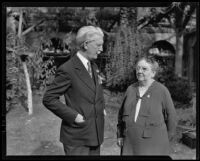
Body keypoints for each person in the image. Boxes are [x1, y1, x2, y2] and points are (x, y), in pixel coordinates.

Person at [43, 25, 106, 155]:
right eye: (98, 45)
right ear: (86, 44)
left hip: (95, 134)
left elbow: (90, 93)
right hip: (77, 138)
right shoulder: (68, 69)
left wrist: (100, 107)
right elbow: (49, 98)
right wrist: (74, 116)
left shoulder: (93, 66)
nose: (101, 49)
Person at [117, 55, 177, 155]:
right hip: (129, 145)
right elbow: (121, 115)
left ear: (153, 73)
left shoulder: (162, 91)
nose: (139, 71)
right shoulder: (130, 89)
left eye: (144, 69)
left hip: (153, 146)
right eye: (138, 68)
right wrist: (120, 135)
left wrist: (165, 141)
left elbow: (171, 117)